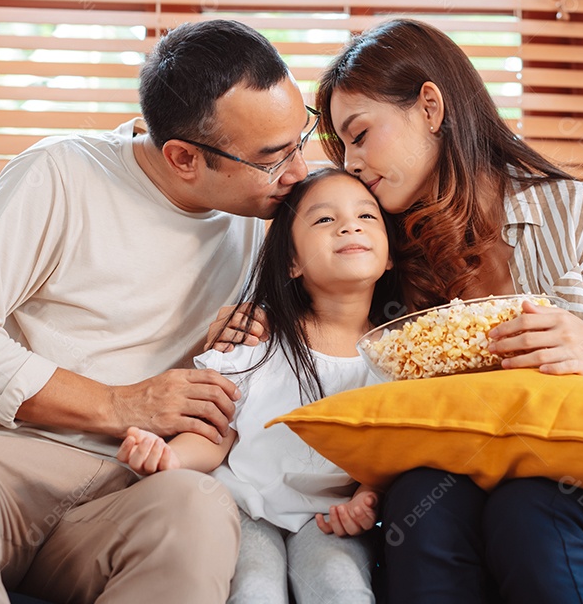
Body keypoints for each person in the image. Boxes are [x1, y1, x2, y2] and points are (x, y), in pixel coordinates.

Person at [0, 19, 318, 604]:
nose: (299, 171)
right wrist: (117, 403)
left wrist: (272, 328)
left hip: (134, 487)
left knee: (201, 509)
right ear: (182, 157)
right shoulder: (60, 173)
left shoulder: (276, 216)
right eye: (272, 158)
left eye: (301, 137)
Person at [310, 18, 583, 604]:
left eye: (360, 134)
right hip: (471, 489)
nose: (351, 162)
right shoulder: (388, 255)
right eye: (342, 147)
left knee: (531, 509)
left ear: (430, 106)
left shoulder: (581, 214)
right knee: (419, 500)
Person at [116, 167, 403, 604]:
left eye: (367, 217)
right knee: (255, 591)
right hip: (243, 506)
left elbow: (394, 451)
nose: (350, 225)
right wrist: (167, 458)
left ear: (388, 256)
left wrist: (367, 497)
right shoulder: (254, 337)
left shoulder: (400, 358)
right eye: (325, 219)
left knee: (341, 590)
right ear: (290, 260)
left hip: (326, 518)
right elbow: (213, 434)